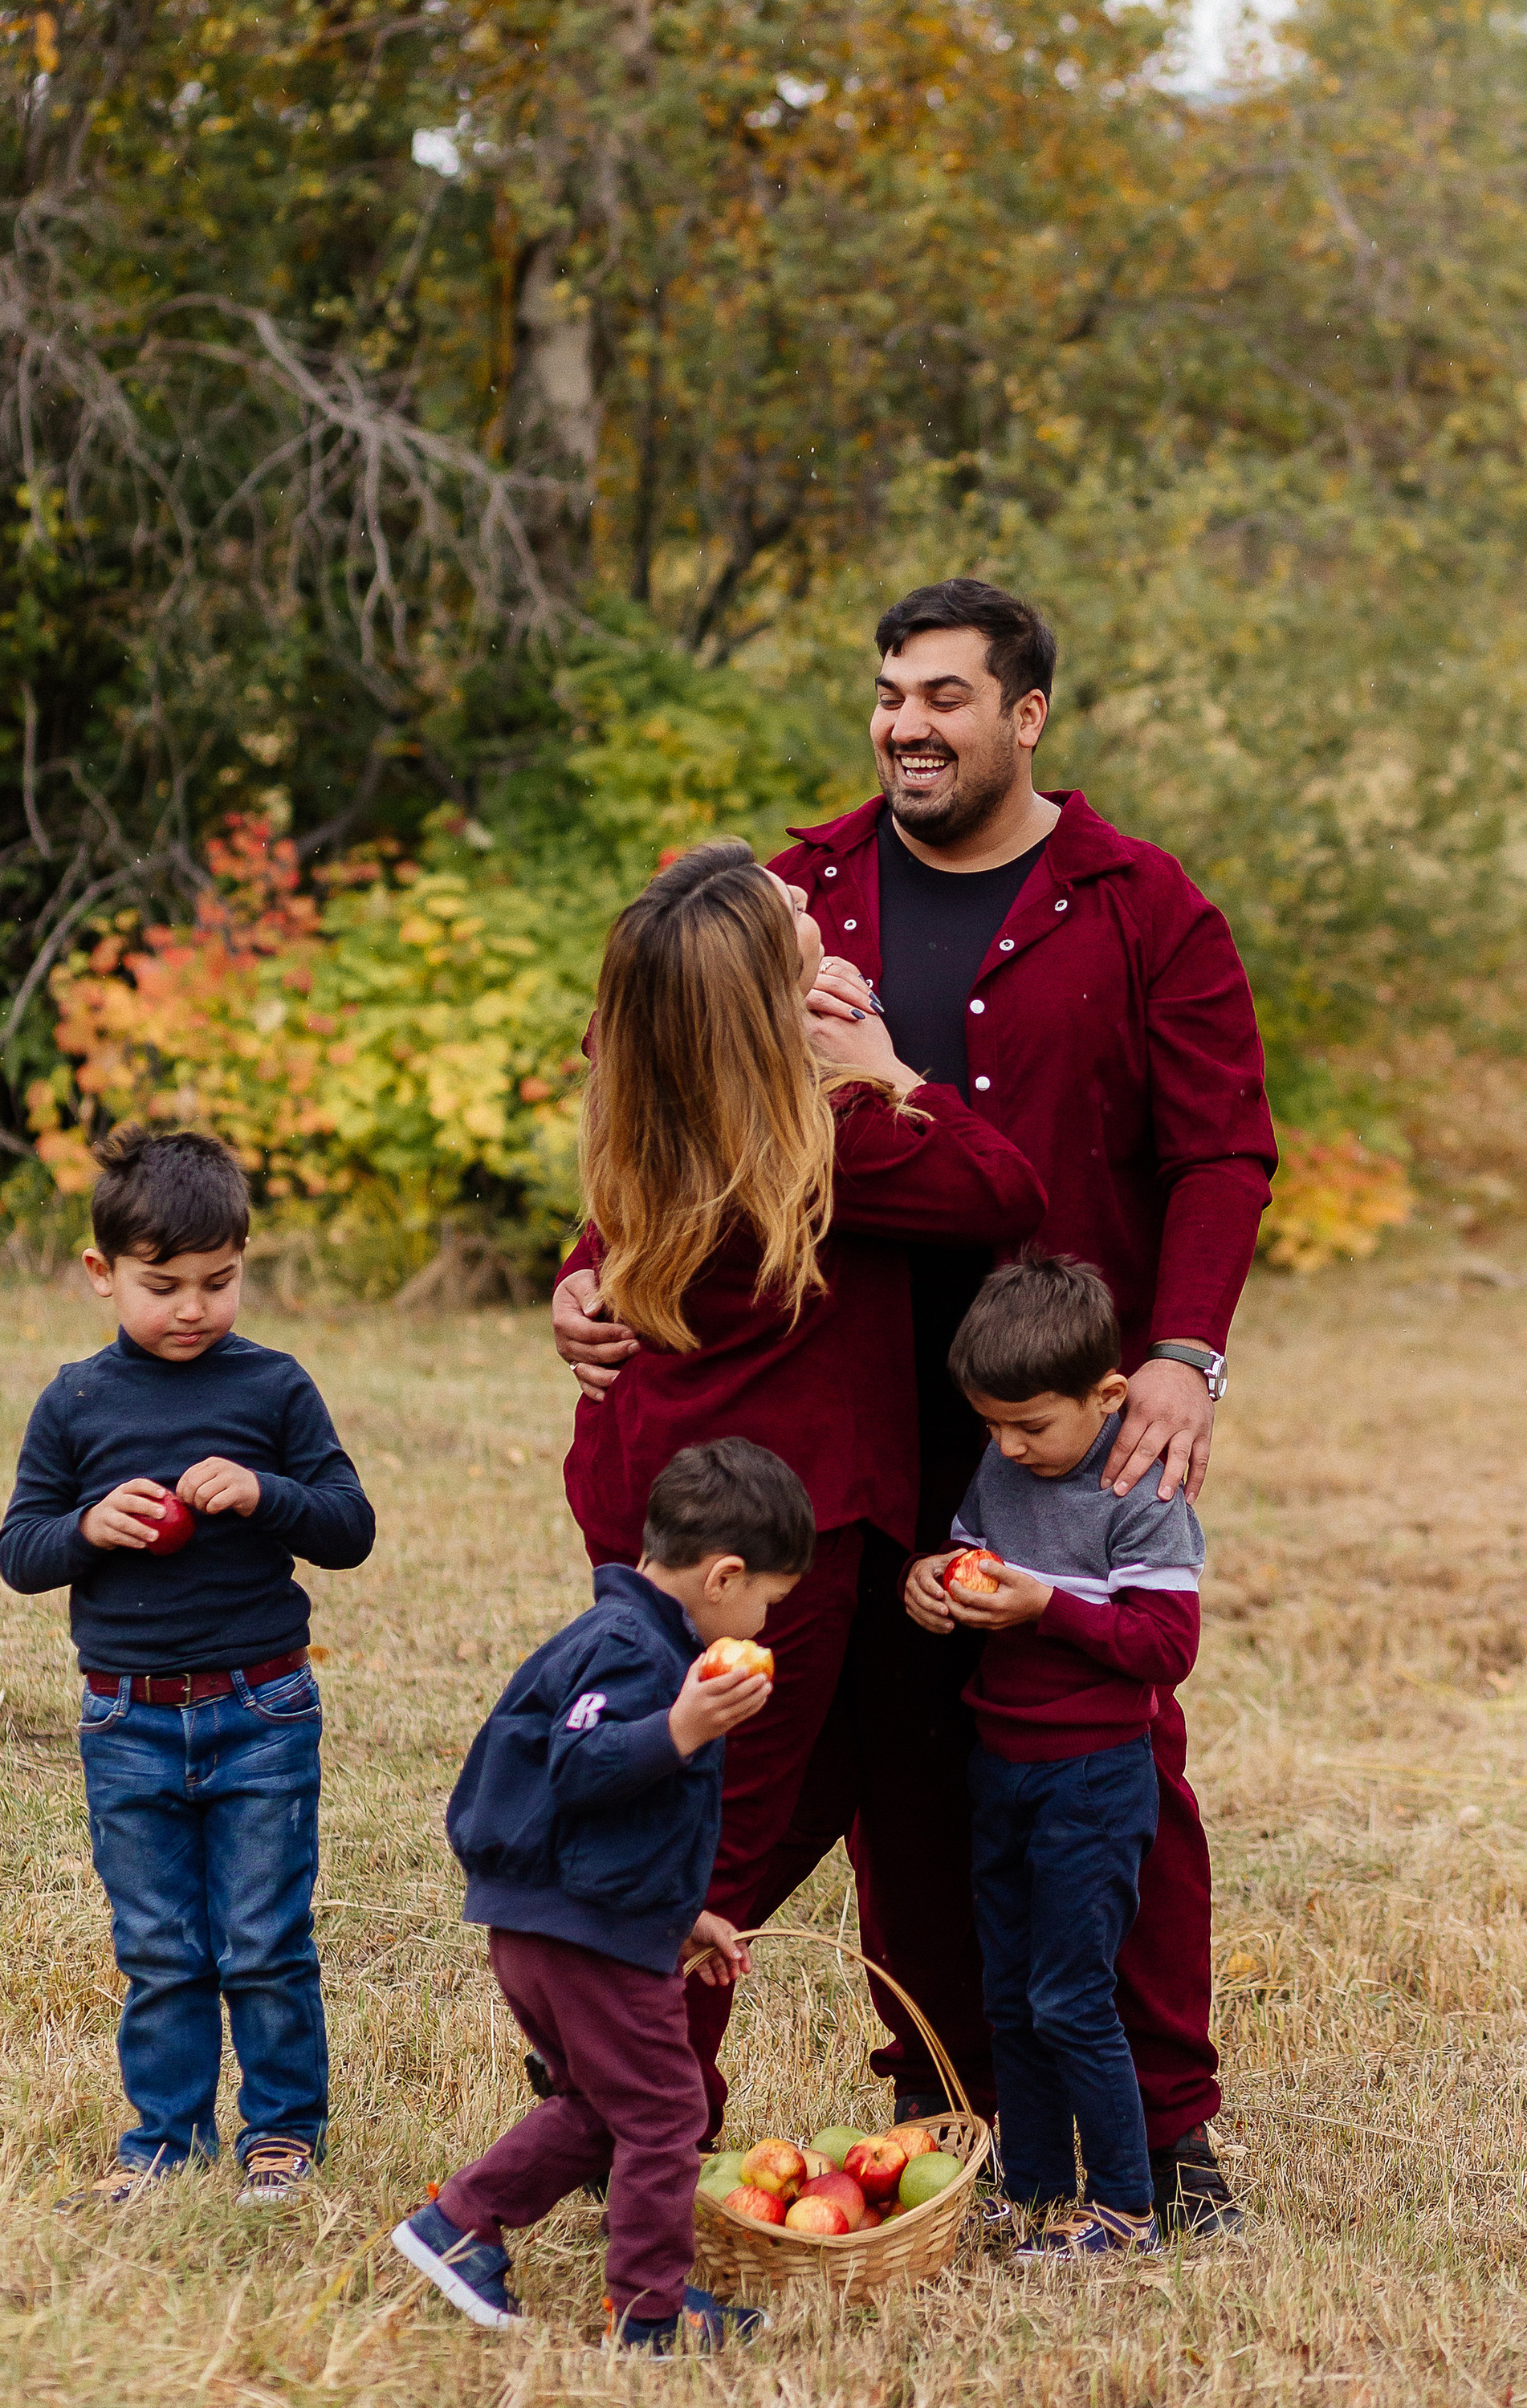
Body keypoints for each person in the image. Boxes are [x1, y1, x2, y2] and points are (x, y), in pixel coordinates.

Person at [554, 577, 1275, 2232]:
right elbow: (654, 1073)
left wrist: (1178, 1355)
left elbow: (1221, 1149)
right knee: (824, 1771)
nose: (904, 724)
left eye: (943, 697)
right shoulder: (785, 887)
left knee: (1097, 1767)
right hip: (818, 1441)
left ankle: (1154, 2125)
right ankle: (802, 2077)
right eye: (888, 693)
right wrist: (587, 1272)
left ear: (1026, 715)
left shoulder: (1137, 905)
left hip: (1041, 1422)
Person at [558, 837, 1045, 2136]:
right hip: (785, 1529)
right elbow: (1005, 1189)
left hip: (653, 1492)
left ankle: (609, 2015)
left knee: (783, 1785)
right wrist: (894, 1074)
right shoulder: (829, 1136)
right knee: (729, 1814)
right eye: (794, 921)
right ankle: (637, 2097)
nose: (815, 906)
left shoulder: (657, 1090)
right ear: (766, 1007)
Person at [0, 1125, 375, 2204]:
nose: (194, 1307)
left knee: (262, 1936)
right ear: (101, 1273)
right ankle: (166, 2142)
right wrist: (86, 1527)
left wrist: (266, 1495)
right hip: (127, 1718)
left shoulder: (275, 1389)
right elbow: (19, 1550)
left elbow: (349, 1525)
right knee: (159, 1947)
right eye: (163, 1285)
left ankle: (282, 2134)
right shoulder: (75, 1402)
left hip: (263, 1704)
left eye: (219, 1281)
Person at [392, 1438, 808, 2350]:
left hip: (561, 1923)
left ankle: (456, 2226)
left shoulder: (635, 1643)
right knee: (667, 2115)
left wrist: (681, 1913)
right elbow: (580, 1769)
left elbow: (608, 1820)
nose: (765, 1626)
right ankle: (651, 2314)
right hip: (584, 1939)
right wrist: (679, 1728)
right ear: (725, 1576)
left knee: (600, 2106)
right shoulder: (634, 1651)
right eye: (767, 1602)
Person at [905, 1256, 1203, 2260]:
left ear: (1107, 1397)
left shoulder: (1140, 1490)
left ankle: (1125, 2206)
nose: (1007, 1446)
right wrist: (935, 1579)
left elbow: (1167, 1648)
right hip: (1004, 1761)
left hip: (1092, 1775)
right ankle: (1031, 2189)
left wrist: (1048, 1609)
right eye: (991, 1425)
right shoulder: (1005, 1465)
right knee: (1008, 1991)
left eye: (1030, 1425)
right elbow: (969, 1551)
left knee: (1071, 1994)